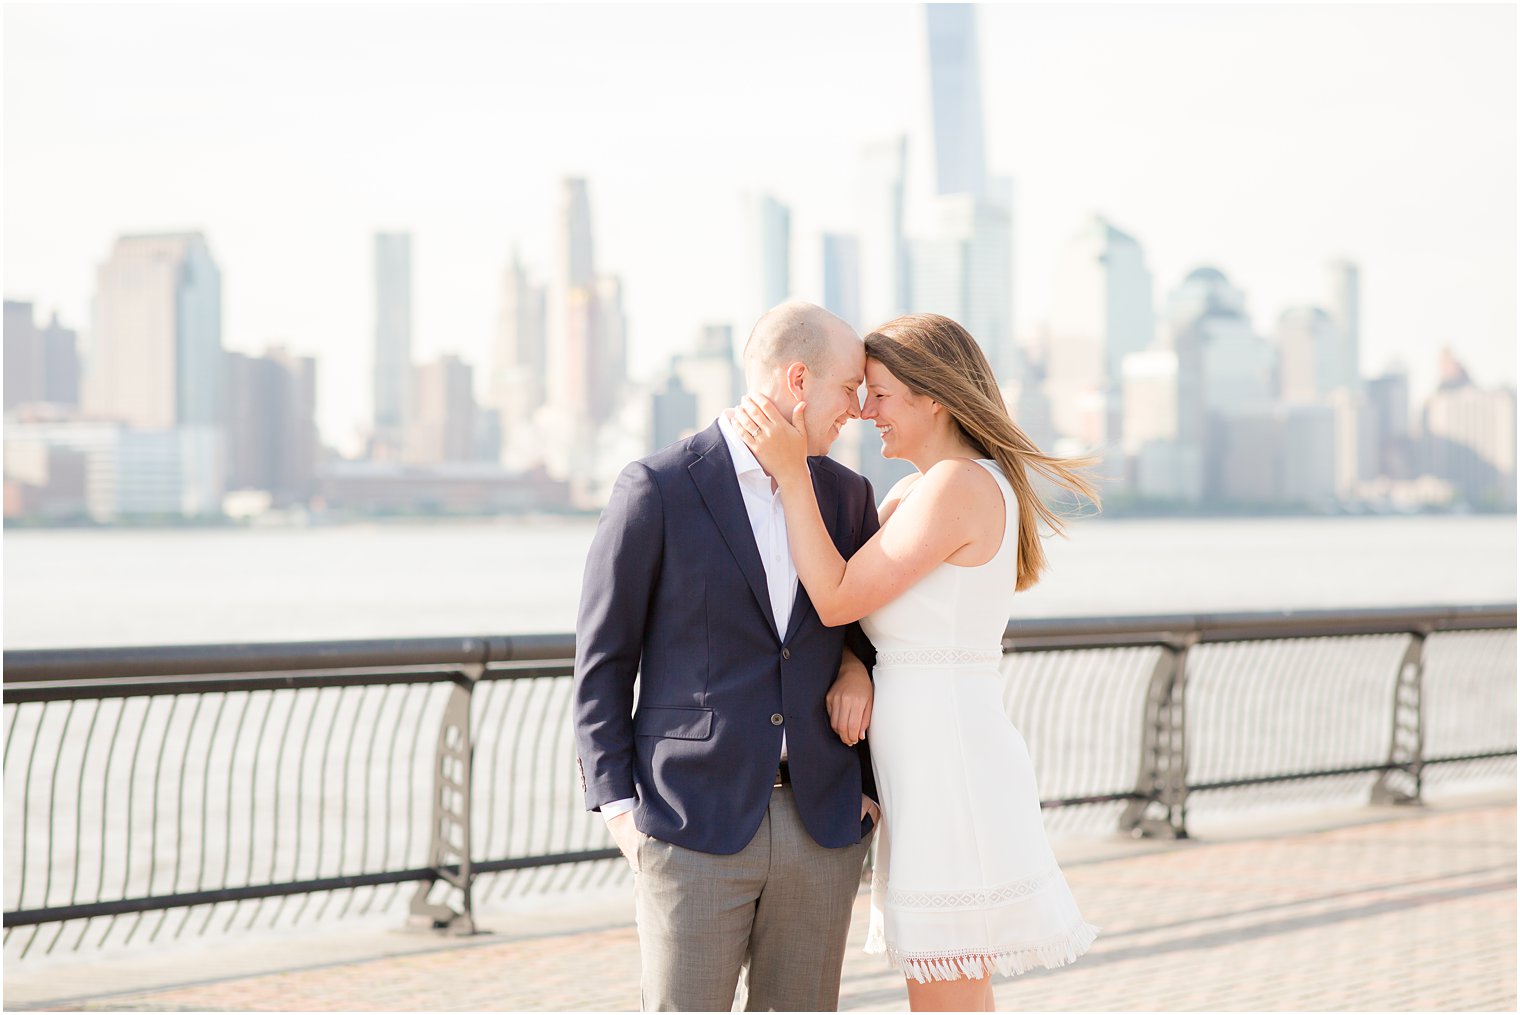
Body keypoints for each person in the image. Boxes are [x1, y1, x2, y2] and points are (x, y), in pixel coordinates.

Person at [733, 312, 1102, 1013]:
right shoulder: (914, 492)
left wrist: (790, 472)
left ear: (933, 397)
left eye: (882, 394)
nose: (867, 410)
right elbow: (868, 623)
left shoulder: (956, 485)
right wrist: (854, 668)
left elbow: (837, 595)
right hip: (922, 757)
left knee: (946, 983)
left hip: (948, 760)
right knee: (940, 978)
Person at [572, 301, 883, 1012]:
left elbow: (872, 632)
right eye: (848, 388)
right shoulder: (657, 489)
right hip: (690, 826)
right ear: (798, 379)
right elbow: (602, 662)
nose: (858, 410)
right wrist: (623, 815)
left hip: (821, 827)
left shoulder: (847, 496)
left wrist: (856, 670)